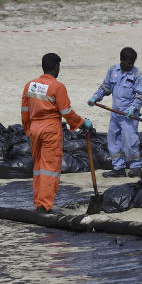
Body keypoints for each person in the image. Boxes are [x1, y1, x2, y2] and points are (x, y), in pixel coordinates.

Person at [21, 52, 92, 213]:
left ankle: (38, 202)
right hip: (50, 130)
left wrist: (27, 131)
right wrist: (82, 123)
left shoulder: (30, 85)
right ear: (56, 67)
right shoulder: (57, 87)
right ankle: (44, 206)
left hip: (34, 129)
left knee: (38, 167)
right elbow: (66, 112)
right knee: (49, 168)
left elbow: (24, 111)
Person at [87, 47, 142, 177]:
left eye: (132, 63)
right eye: (128, 63)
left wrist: (133, 108)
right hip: (115, 114)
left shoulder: (137, 74)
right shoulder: (113, 70)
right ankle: (118, 167)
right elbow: (105, 88)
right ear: (121, 60)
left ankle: (136, 166)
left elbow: (140, 95)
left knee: (130, 141)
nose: (130, 65)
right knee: (113, 140)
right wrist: (95, 97)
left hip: (128, 115)